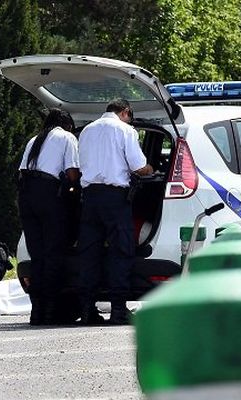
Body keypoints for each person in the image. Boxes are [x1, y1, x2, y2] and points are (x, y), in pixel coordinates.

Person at [77, 99, 153, 325]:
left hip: (89, 198)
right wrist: (151, 169)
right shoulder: (125, 130)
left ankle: (87, 310)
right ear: (125, 112)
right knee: (121, 252)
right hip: (115, 199)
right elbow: (138, 166)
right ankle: (118, 311)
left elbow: (81, 164)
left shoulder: (87, 130)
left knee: (89, 254)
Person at [18, 108, 80, 325]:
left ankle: (36, 311)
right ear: (67, 125)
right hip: (48, 194)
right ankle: (50, 311)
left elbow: (21, 171)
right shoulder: (67, 137)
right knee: (54, 252)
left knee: (38, 255)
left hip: (26, 195)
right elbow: (72, 173)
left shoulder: (34, 140)